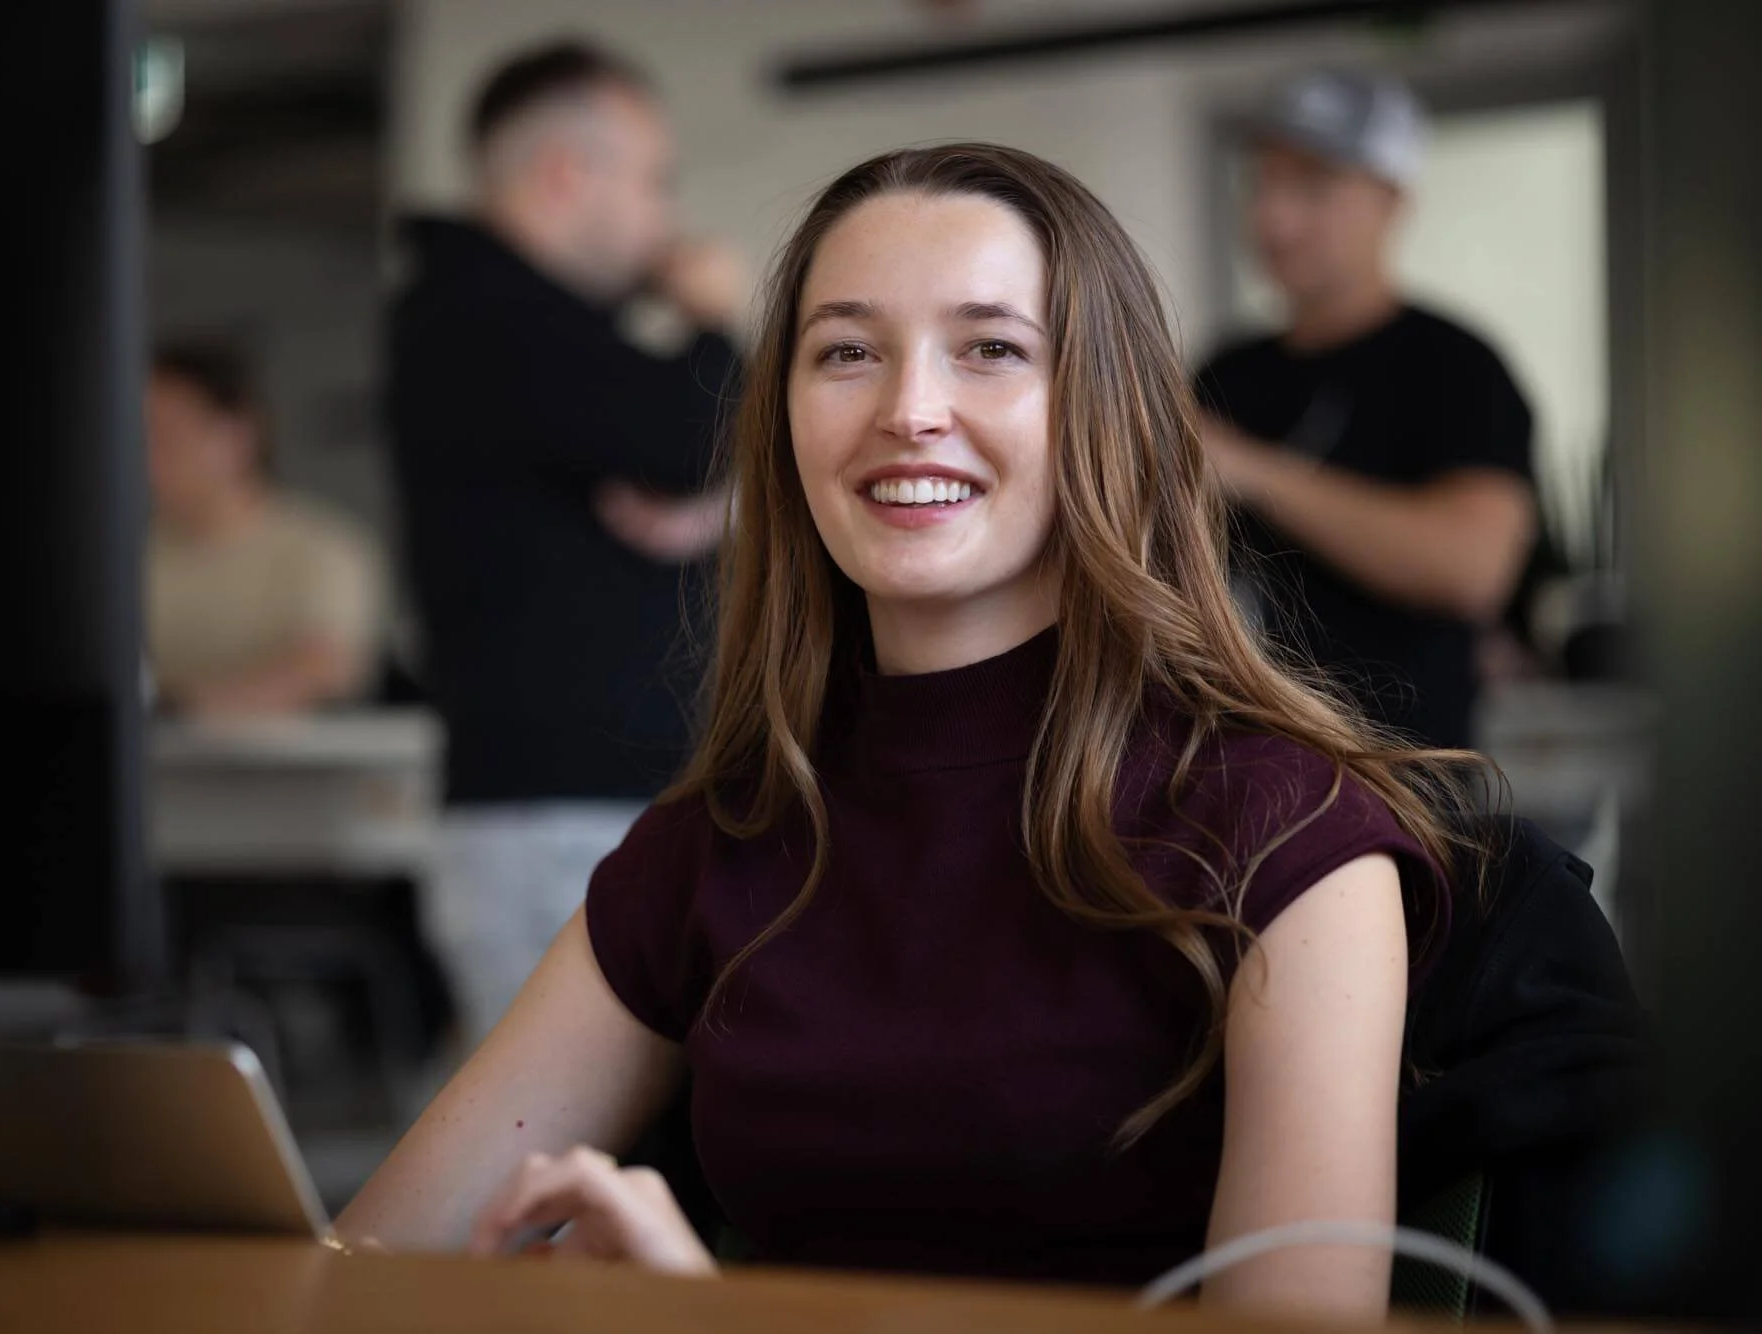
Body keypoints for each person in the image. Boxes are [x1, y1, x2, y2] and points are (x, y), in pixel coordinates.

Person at [340, 142, 1486, 1323]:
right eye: (845, 352)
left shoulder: (1286, 831)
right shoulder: (717, 839)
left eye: (989, 348)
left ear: (1109, 408)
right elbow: (359, 1266)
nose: (907, 411)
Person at [386, 41, 746, 1045]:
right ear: (563, 174)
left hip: (578, 811)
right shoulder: (486, 315)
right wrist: (713, 316)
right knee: (552, 1172)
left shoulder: (514, 325)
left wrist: (714, 507)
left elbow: (688, 465)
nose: (662, 217)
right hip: (552, 820)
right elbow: (689, 433)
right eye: (651, 180)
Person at [1194, 70, 1537, 750]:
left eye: (1311, 185)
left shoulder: (1457, 367)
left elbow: (1471, 569)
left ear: (1390, 199)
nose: (1274, 216)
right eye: (1261, 182)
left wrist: (1251, 471)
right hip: (1239, 770)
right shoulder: (1223, 374)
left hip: (1405, 783)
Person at [144, 342, 382, 718]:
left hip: (281, 766)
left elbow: (326, 670)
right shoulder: (131, 555)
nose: (149, 458)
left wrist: (186, 708)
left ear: (237, 435)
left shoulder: (319, 547)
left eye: (167, 436)